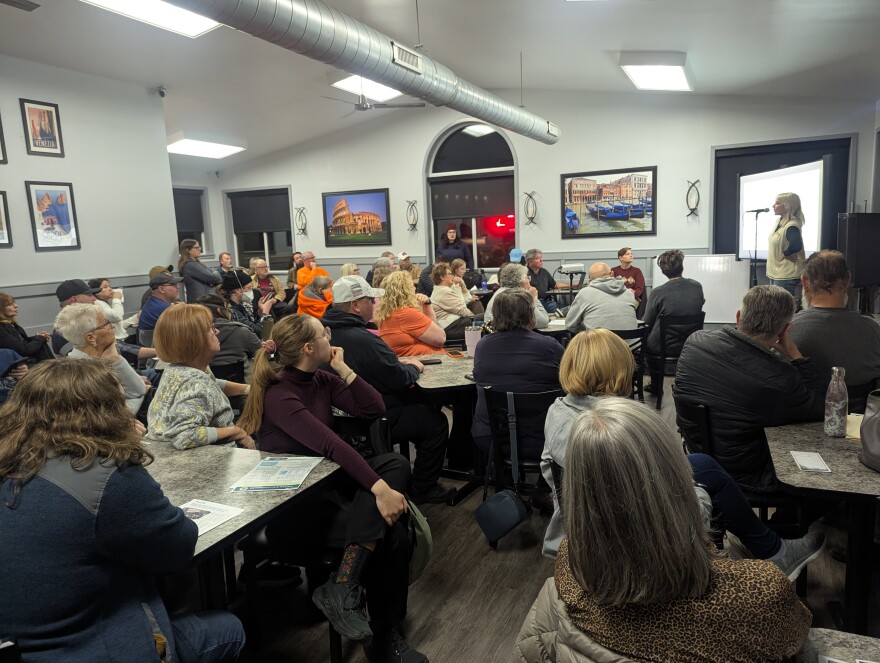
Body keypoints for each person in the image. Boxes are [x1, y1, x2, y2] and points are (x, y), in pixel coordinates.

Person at [515, 397, 812, 663]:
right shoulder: (759, 595)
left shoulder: (569, 562)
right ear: (680, 481)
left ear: (579, 493)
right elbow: (797, 642)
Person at [0, 359, 245, 663]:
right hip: (91, 645)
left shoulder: (11, 460)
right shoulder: (105, 475)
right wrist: (126, 450)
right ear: (106, 412)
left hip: (19, 643)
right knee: (229, 628)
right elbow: (179, 548)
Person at [539, 328, 824, 579]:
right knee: (706, 480)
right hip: (639, 545)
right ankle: (774, 551)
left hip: (577, 536)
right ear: (621, 371)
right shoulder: (626, 429)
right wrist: (698, 493)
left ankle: (770, 547)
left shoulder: (558, 411)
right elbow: (682, 514)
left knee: (702, 464)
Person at [237, 314, 426, 663]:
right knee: (394, 537)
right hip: (297, 509)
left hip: (329, 490)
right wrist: (381, 491)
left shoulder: (321, 378)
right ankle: (384, 637)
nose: (330, 336)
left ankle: (343, 584)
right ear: (309, 347)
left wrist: (344, 369)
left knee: (396, 464)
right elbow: (332, 447)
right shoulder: (281, 394)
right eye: (324, 334)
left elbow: (374, 407)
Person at [675, 285, 824, 493]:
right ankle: (785, 521)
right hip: (746, 474)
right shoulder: (780, 380)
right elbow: (821, 407)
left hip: (696, 454)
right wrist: (796, 355)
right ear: (784, 330)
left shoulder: (695, 342)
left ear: (738, 317)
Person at [323, 276, 454, 505]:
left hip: (341, 422)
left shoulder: (324, 334)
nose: (374, 304)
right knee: (435, 422)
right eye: (369, 300)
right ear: (355, 305)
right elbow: (399, 379)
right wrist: (413, 367)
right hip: (375, 420)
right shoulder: (364, 340)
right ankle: (424, 488)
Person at [145, 304, 254, 450]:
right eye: (210, 328)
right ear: (194, 339)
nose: (217, 331)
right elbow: (184, 436)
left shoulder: (176, 369)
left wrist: (248, 389)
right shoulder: (196, 383)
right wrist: (237, 432)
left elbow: (210, 386)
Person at [472, 288, 563, 456]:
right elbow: (568, 382)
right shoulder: (549, 346)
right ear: (531, 315)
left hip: (492, 436)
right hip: (543, 435)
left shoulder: (483, 345)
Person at [790, 249, 880, 411]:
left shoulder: (786, 331)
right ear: (848, 279)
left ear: (805, 282)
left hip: (799, 420)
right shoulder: (873, 330)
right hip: (858, 425)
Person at [54, 303, 149, 415]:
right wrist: (137, 399)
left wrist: (115, 359)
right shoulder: (84, 375)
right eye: (106, 323)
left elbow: (137, 391)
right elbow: (117, 415)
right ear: (91, 338)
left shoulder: (97, 357)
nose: (112, 326)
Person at [642, 250, 705, 377]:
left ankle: (655, 385)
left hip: (661, 346)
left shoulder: (658, 292)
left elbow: (647, 322)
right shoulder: (697, 286)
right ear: (682, 267)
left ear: (663, 271)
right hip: (690, 343)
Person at [375, 271, 446, 356]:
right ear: (406, 290)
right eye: (412, 286)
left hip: (418, 360)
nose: (415, 289)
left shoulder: (388, 313)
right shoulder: (405, 314)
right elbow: (440, 339)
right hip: (431, 362)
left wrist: (427, 304)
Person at [565, 262, 637, 334]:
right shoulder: (629, 293)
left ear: (590, 280)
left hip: (599, 344)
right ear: (612, 273)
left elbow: (570, 325)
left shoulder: (584, 293)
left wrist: (586, 326)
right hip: (633, 344)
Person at [196, 293, 262, 369]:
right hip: (241, 379)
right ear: (220, 310)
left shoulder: (191, 334)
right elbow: (261, 354)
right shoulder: (241, 331)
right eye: (227, 308)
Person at [483, 263, 549, 330]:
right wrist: (534, 298)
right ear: (520, 281)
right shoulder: (516, 296)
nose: (529, 280)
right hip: (507, 336)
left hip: (496, 335)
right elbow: (543, 322)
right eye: (527, 277)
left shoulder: (502, 291)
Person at [767, 192, 806, 296]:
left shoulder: (791, 225)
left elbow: (796, 244)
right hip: (776, 273)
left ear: (787, 206)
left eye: (777, 203)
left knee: (781, 308)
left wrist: (786, 253)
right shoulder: (779, 222)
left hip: (786, 275)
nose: (773, 206)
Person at [0, 292, 53, 363]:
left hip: (26, 361)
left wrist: (38, 337)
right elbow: (24, 350)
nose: (16, 306)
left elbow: (21, 342)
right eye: (10, 304)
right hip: (20, 366)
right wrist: (40, 338)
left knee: (41, 343)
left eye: (14, 303)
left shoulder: (12, 324)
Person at [219, 269, 273, 335]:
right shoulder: (233, 312)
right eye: (249, 288)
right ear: (237, 290)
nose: (252, 291)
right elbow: (257, 332)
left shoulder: (239, 305)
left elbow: (253, 324)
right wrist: (265, 314)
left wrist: (260, 312)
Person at [429, 263, 474, 341]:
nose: (452, 276)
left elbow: (465, 302)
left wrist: (461, 285)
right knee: (483, 319)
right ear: (442, 277)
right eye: (450, 274)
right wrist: (475, 318)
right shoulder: (444, 291)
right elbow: (463, 310)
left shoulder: (443, 289)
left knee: (479, 313)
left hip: (452, 323)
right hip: (450, 327)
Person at [89, 277, 135, 342]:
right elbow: (117, 316)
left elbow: (116, 324)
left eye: (109, 286)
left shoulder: (104, 302)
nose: (110, 289)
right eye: (105, 287)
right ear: (96, 291)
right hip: (113, 342)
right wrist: (116, 299)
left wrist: (134, 318)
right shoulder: (98, 304)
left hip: (117, 340)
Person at [179, 239, 222, 303]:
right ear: (187, 250)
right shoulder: (190, 265)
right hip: (199, 303)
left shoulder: (197, 263)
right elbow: (213, 278)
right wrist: (217, 272)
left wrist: (215, 275)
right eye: (196, 247)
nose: (200, 249)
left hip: (204, 301)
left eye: (199, 247)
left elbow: (217, 279)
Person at [525, 248, 564, 314]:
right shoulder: (525, 272)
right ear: (530, 261)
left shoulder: (544, 272)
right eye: (537, 258)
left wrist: (574, 285)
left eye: (541, 257)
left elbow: (554, 285)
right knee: (561, 309)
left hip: (546, 301)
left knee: (562, 307)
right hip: (533, 302)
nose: (541, 260)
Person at [610, 246, 646, 317]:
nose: (631, 255)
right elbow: (611, 286)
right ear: (620, 258)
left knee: (626, 308)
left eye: (631, 254)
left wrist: (630, 294)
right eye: (627, 254)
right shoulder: (614, 270)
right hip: (617, 298)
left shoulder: (637, 271)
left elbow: (639, 288)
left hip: (632, 298)